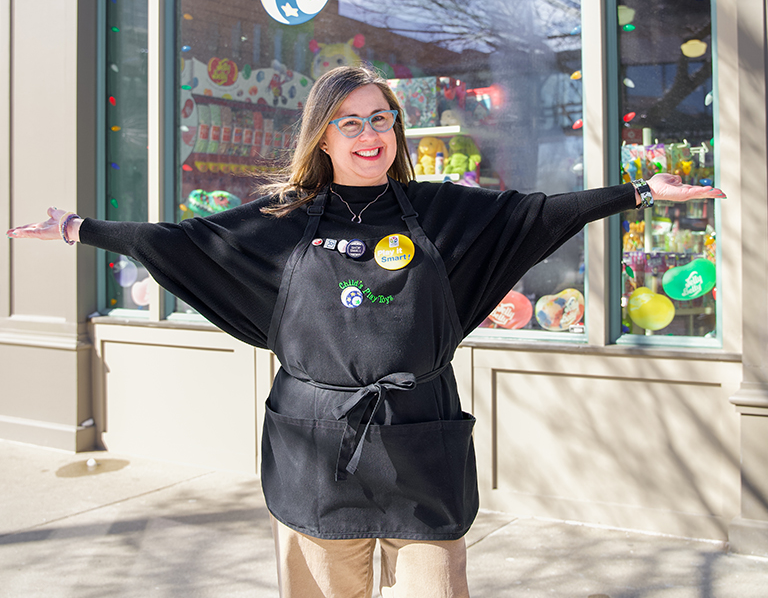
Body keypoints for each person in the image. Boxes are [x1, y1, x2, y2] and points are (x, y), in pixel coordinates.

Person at [7, 65, 726, 597]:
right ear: (322, 135)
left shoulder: (439, 212)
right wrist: (80, 228)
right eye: (350, 121)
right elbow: (181, 241)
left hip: (422, 441)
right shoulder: (283, 220)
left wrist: (636, 192)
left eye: (381, 119)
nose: (369, 134)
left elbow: (538, 214)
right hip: (316, 448)